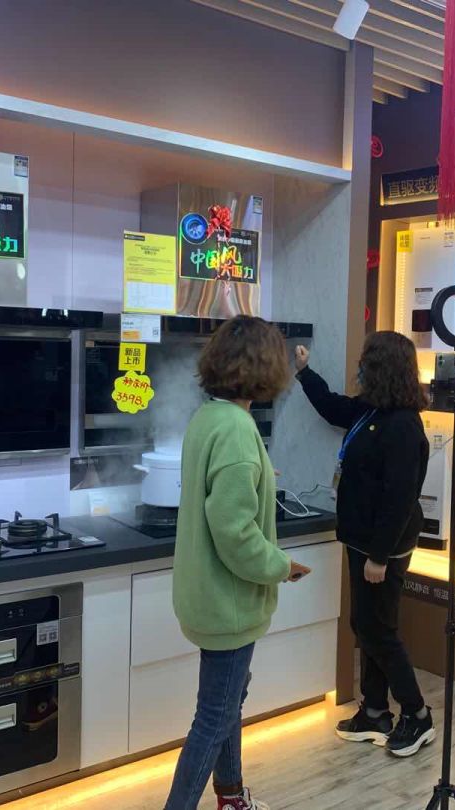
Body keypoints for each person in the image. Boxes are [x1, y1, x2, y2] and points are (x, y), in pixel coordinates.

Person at [165, 316, 312, 810]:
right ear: (266, 367)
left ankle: (230, 797)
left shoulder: (209, 417)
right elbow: (235, 533)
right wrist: (281, 566)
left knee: (228, 703)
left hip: (206, 596)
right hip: (227, 603)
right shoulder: (236, 430)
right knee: (214, 716)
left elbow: (222, 501)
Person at [295, 332, 435, 758]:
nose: (359, 369)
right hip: (362, 539)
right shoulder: (372, 410)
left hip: (383, 546)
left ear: (380, 368)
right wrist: (304, 372)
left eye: (365, 362)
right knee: (367, 624)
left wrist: (378, 556)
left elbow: (400, 499)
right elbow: (333, 406)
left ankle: (417, 714)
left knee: (377, 629)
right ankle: (375, 711)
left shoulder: (404, 426)